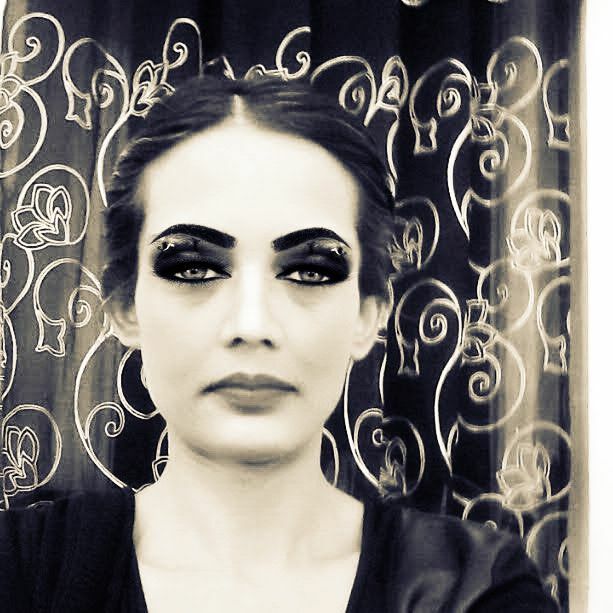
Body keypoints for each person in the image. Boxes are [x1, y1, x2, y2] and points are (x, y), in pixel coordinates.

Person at [0, 76, 558, 612]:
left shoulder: (476, 589)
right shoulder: (18, 569)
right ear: (125, 306)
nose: (252, 323)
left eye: (310, 271)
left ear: (369, 314)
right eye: (193, 267)